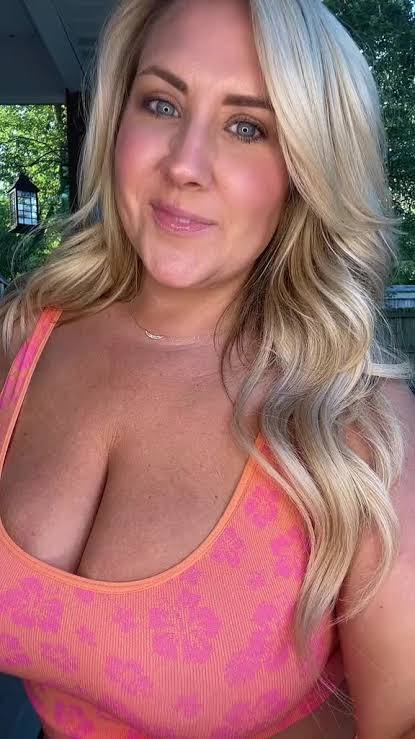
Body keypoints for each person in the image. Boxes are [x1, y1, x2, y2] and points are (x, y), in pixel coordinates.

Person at [0, 0, 414, 737]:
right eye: (161, 104)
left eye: (247, 127)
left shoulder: (354, 417)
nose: (184, 166)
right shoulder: (28, 333)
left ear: (305, 170)